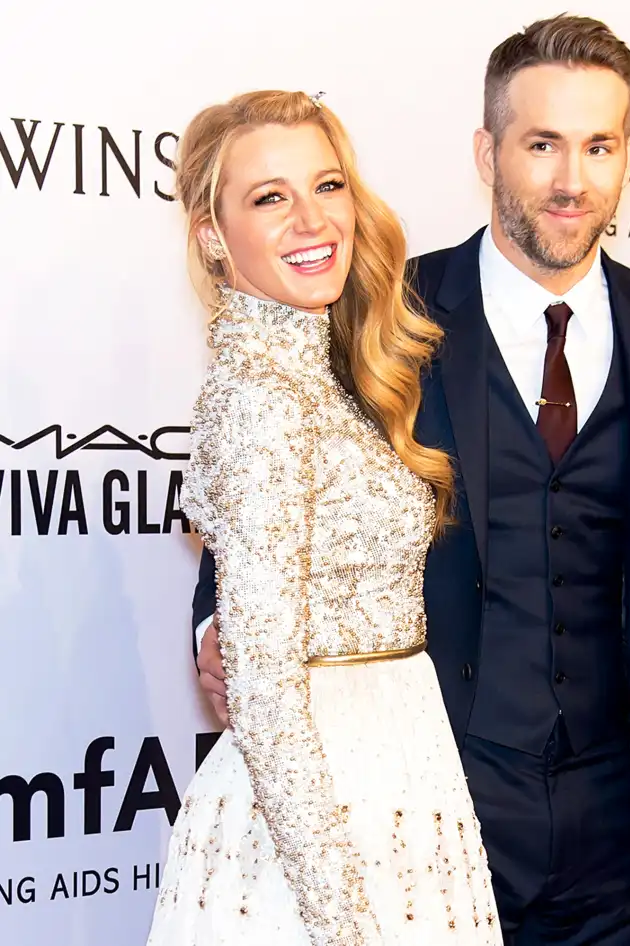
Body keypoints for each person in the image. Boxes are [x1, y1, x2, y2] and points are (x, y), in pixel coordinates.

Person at [194, 15, 630, 945]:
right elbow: (273, 471)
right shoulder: (383, 311)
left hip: (613, 808)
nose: (572, 180)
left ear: (628, 154)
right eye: (542, 144)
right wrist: (215, 618)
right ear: (488, 152)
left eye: (599, 146)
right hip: (434, 799)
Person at [147, 90, 503, 946]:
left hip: (399, 780)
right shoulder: (262, 399)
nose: (314, 219)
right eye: (269, 197)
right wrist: (344, 923)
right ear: (211, 235)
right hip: (314, 828)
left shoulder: (332, 374)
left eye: (328, 185)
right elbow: (263, 694)